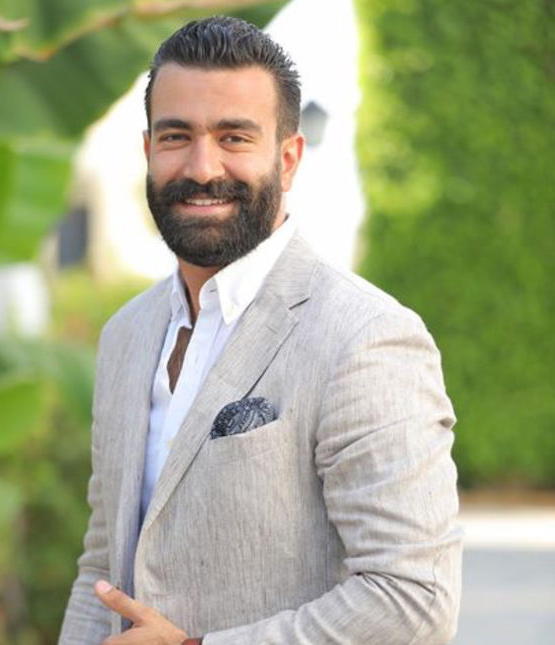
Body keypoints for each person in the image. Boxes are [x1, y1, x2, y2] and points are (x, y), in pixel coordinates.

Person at [59, 16, 462, 645]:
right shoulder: (126, 336)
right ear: (148, 151)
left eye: (234, 137)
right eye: (176, 136)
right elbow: (102, 570)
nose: (202, 167)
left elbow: (413, 597)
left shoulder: (365, 336)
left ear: (289, 157)